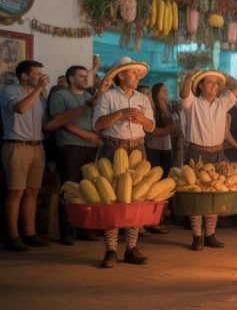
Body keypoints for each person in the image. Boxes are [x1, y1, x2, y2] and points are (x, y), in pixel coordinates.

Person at [2, 60, 104, 251]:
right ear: (24, 75)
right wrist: (38, 90)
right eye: (37, 73)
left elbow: (49, 125)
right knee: (16, 192)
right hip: (17, 145)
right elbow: (20, 108)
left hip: (37, 146)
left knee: (32, 191)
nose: (41, 76)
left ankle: (30, 234)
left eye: (42, 73)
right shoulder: (11, 91)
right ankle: (12, 236)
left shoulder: (41, 99)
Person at [93, 57, 155, 268]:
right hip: (113, 146)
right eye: (133, 73)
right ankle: (110, 250)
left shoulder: (143, 99)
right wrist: (120, 113)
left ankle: (131, 248)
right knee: (111, 199)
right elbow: (98, 125)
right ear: (121, 75)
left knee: (136, 197)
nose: (137, 76)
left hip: (137, 147)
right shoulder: (107, 96)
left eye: (138, 73)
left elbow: (151, 126)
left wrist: (142, 119)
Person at [180, 70, 237, 250]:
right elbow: (184, 93)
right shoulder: (192, 103)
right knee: (197, 195)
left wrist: (225, 77)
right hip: (196, 151)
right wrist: (189, 77)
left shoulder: (222, 103)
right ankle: (197, 236)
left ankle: (210, 234)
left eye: (217, 83)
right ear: (200, 86)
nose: (215, 86)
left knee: (215, 192)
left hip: (217, 152)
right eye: (210, 82)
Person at [50, 65, 109, 245]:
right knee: (70, 187)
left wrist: (96, 136)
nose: (85, 79)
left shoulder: (88, 96)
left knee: (88, 188)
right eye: (82, 76)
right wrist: (87, 135)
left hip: (90, 147)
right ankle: (67, 231)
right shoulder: (60, 95)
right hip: (70, 146)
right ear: (70, 78)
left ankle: (85, 228)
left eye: (86, 76)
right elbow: (62, 122)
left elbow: (95, 120)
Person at [144, 83, 178, 234]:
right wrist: (168, 130)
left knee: (164, 184)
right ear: (156, 93)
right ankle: (151, 220)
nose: (167, 92)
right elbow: (152, 130)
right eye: (164, 90)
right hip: (153, 148)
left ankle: (160, 218)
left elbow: (172, 129)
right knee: (154, 185)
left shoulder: (168, 108)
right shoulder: (153, 108)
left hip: (166, 148)